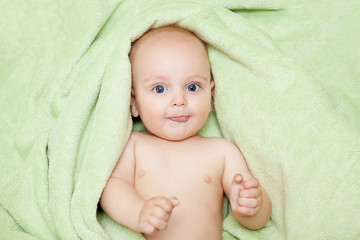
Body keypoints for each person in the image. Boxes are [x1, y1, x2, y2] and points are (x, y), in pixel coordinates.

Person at [100, 26, 272, 240]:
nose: (179, 100)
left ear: (210, 96)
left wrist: (252, 207)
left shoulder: (222, 151)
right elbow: (111, 189)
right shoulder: (133, 145)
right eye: (160, 89)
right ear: (133, 102)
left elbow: (258, 222)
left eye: (192, 87)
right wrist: (138, 212)